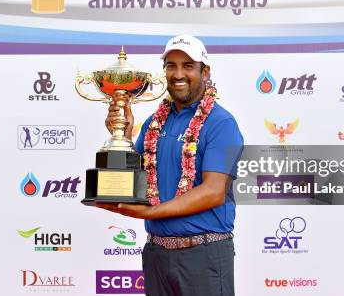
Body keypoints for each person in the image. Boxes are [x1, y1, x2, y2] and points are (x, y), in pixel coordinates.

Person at [98, 35, 244, 296]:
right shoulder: (156, 122)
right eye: (171, 65)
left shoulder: (221, 123)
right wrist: (124, 135)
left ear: (205, 71)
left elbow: (213, 192)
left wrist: (149, 213)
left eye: (188, 66)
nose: (178, 74)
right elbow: (139, 179)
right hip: (157, 255)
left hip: (203, 256)